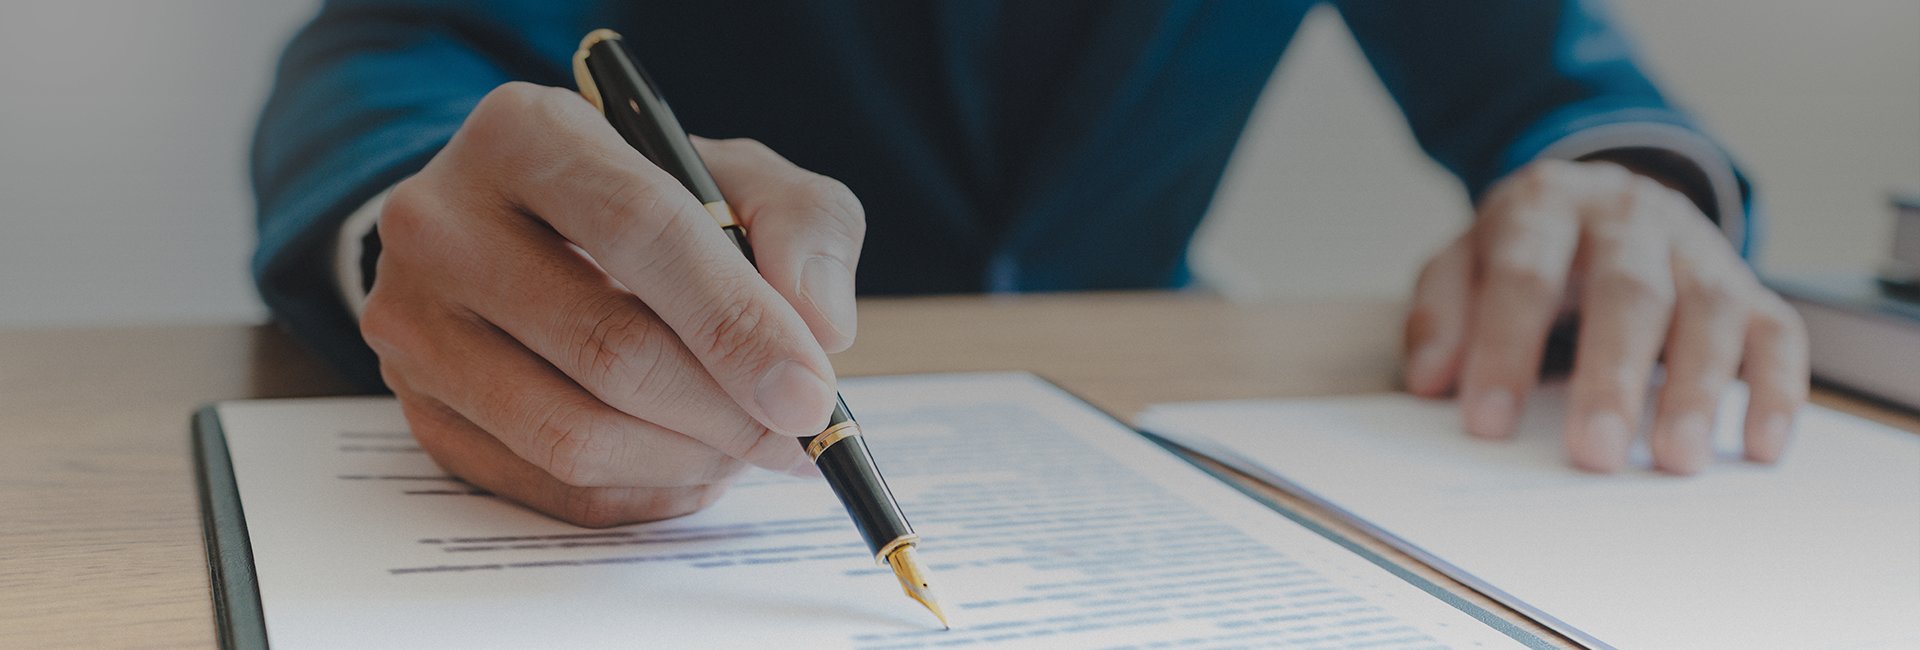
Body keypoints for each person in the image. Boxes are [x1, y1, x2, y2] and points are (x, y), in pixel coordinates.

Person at [252, 1, 1807, 527]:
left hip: (1142, 407)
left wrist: (1628, 186)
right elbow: (398, 45)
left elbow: (1552, 75)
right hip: (680, 388)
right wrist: (407, 211)